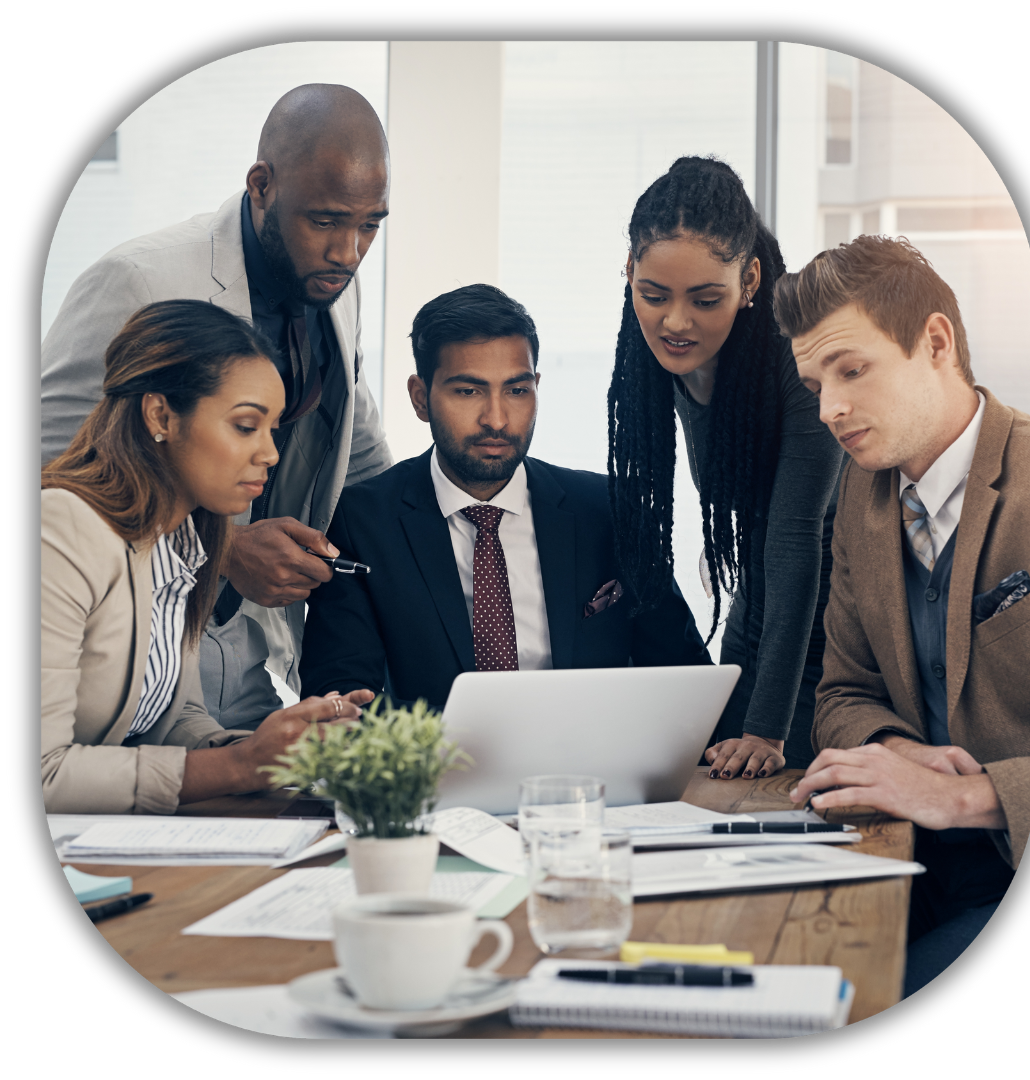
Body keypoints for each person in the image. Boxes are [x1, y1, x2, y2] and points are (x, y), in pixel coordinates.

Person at [41, 84, 394, 730]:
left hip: (251, 657)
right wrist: (223, 550)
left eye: (370, 225)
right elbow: (54, 476)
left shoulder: (337, 286)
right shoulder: (137, 282)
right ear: (261, 185)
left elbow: (357, 441)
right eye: (325, 221)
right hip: (126, 666)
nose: (349, 252)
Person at [776, 236, 1030, 997]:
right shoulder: (864, 496)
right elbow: (841, 692)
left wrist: (971, 794)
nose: (829, 409)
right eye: (815, 384)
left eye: (851, 371)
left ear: (934, 343)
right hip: (905, 863)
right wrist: (896, 751)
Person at [300, 284, 711, 710]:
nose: (496, 419)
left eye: (516, 391)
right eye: (468, 391)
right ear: (421, 398)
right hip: (441, 768)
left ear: (536, 387)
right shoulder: (362, 521)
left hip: (589, 768)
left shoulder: (609, 508)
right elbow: (338, 701)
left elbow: (686, 677)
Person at [41, 301, 372, 814]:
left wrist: (279, 750)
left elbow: (170, 720)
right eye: (245, 426)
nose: (271, 454)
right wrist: (239, 768)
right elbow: (47, 773)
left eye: (273, 429)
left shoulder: (183, 540)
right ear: (160, 416)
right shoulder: (60, 530)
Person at [608, 156, 845, 776]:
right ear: (629, 270)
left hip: (846, 625)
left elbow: (796, 543)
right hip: (762, 606)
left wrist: (766, 731)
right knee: (708, 775)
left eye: (705, 299)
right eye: (653, 295)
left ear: (750, 283)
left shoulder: (797, 362)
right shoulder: (657, 358)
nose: (676, 322)